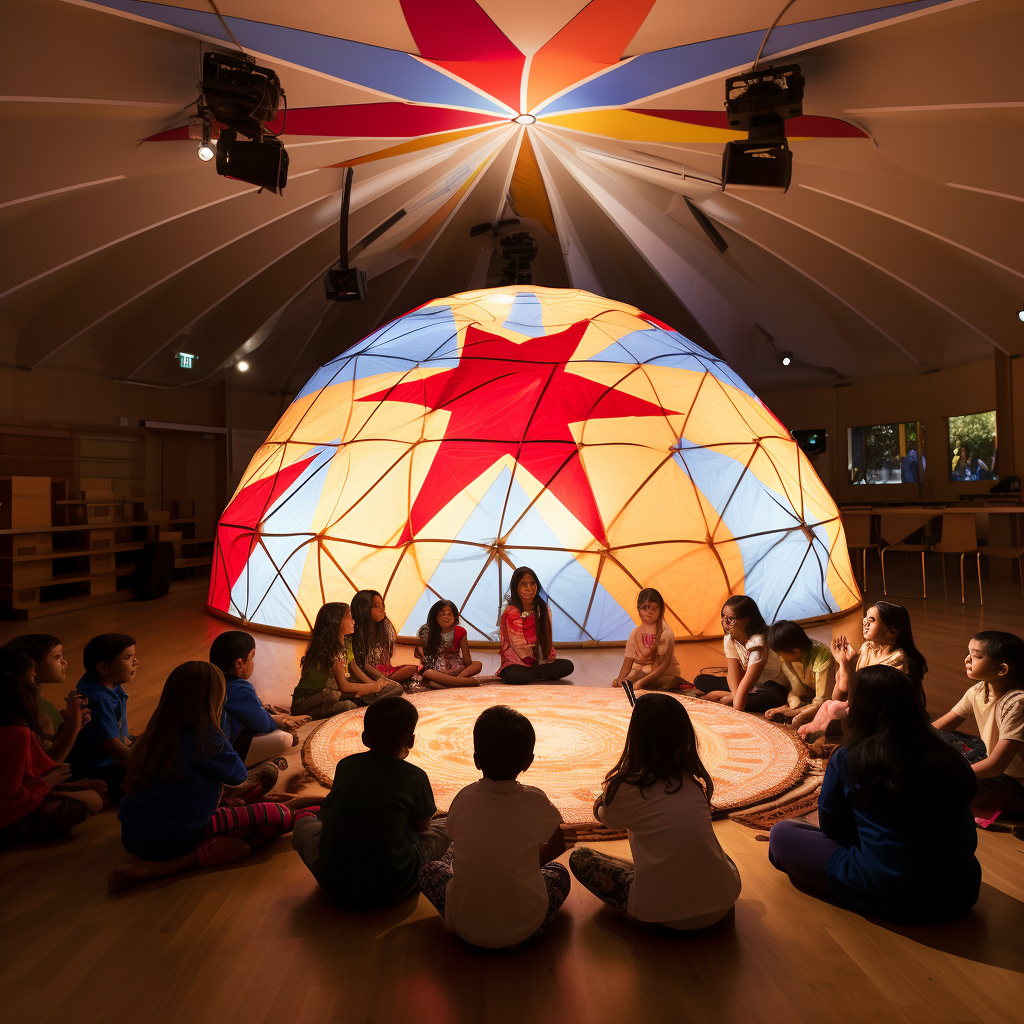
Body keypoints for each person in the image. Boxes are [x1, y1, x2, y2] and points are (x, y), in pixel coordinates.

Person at [768, 665, 981, 924]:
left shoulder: (850, 757)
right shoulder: (949, 755)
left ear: (862, 708)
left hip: (891, 892)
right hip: (963, 892)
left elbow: (833, 828)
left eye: (851, 701)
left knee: (781, 834)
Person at [109, 662, 296, 891]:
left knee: (252, 782)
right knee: (277, 814)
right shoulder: (204, 735)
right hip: (176, 838)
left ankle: (222, 806)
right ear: (214, 698)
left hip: (134, 837)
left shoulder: (155, 729)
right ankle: (165, 867)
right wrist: (217, 728)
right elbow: (238, 775)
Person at [570, 694, 740, 929]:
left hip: (661, 915)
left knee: (581, 859)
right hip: (721, 905)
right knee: (716, 855)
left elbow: (607, 819)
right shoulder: (692, 783)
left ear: (636, 739)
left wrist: (605, 796)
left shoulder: (627, 788)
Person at [418, 705, 569, 948]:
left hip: (463, 926)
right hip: (527, 928)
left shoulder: (463, 798)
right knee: (560, 873)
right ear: (528, 762)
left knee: (430, 870)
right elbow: (560, 836)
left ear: (477, 760)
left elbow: (453, 835)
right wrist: (531, 863)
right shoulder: (536, 801)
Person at [290, 695, 448, 908]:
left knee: (303, 826)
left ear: (364, 738)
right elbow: (422, 826)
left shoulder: (345, 766)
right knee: (445, 827)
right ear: (411, 741)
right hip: (394, 886)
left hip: (335, 885)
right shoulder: (415, 777)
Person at [0, 649, 95, 840]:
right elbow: (8, 794)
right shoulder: (20, 727)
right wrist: (73, 727)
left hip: (29, 787)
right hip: (11, 805)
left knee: (95, 793)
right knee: (90, 802)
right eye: (32, 678)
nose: (65, 663)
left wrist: (73, 727)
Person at [798, 601, 925, 740]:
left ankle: (823, 738)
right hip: (861, 704)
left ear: (893, 630)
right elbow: (838, 694)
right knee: (829, 704)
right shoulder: (866, 648)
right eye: (865, 619)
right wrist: (844, 663)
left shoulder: (897, 659)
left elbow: (872, 702)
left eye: (872, 620)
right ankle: (817, 733)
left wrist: (849, 671)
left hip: (883, 716)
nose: (865, 623)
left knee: (835, 709)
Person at [932, 631, 1024, 819]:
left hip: (1015, 784)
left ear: (1001, 669)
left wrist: (951, 776)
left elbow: (996, 765)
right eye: (968, 654)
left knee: (935, 785)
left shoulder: (1018, 703)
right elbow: (938, 728)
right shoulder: (979, 689)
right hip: (991, 770)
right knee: (937, 740)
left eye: (976, 656)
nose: (967, 660)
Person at [210, 630, 310, 793]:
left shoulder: (212, 681)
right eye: (253, 657)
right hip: (231, 752)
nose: (254, 663)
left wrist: (280, 718)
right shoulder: (239, 689)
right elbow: (264, 725)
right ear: (239, 664)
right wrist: (280, 723)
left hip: (214, 748)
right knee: (284, 738)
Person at [66, 633, 137, 799]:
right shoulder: (97, 699)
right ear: (103, 668)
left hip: (110, 756)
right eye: (128, 657)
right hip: (95, 767)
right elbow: (111, 747)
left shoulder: (105, 686)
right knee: (152, 772)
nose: (135, 662)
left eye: (134, 656)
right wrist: (143, 759)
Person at [290, 603, 391, 719]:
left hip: (317, 699)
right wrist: (374, 686)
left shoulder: (338, 645)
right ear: (336, 622)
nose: (353, 621)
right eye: (349, 617)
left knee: (352, 700)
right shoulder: (333, 650)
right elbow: (344, 686)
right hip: (308, 701)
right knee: (348, 705)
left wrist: (372, 685)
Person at [692, 596, 788, 713]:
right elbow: (733, 672)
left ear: (747, 620)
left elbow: (749, 680)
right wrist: (735, 695)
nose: (725, 622)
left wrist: (737, 701)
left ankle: (735, 697)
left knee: (757, 699)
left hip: (772, 686)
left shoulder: (758, 642)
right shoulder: (729, 637)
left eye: (731, 618)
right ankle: (733, 695)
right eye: (723, 616)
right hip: (752, 686)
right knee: (700, 680)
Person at [498, 567, 574, 685]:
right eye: (524, 584)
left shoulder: (543, 609)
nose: (529, 588)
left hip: (540, 662)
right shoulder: (511, 611)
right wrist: (534, 659)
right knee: (512, 674)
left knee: (568, 666)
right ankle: (538, 673)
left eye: (532, 584)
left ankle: (536, 672)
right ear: (516, 587)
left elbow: (547, 638)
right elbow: (518, 645)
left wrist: (544, 659)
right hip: (517, 662)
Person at [613, 589, 686, 692]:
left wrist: (640, 682)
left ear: (660, 610)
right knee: (623, 684)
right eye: (645, 608)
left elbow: (663, 666)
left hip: (661, 676)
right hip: (640, 673)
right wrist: (620, 680)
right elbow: (627, 662)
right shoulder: (635, 633)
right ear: (639, 610)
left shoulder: (666, 633)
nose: (649, 612)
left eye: (653, 608)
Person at [763, 621, 833, 726]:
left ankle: (793, 713)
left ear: (795, 651)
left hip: (829, 700)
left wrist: (795, 712)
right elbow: (799, 691)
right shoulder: (790, 659)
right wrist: (795, 707)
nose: (779, 656)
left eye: (780, 653)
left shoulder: (822, 656)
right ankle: (791, 710)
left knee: (797, 721)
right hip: (810, 699)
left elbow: (822, 700)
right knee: (792, 697)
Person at [350, 590, 418, 688]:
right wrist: (383, 679)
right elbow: (362, 665)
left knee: (412, 668)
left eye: (383, 606)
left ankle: (390, 683)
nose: (382, 609)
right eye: (377, 606)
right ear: (364, 608)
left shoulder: (382, 630)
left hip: (383, 672)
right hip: (366, 675)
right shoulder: (355, 634)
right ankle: (390, 684)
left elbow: (385, 660)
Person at [415, 599, 484, 688]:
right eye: (442, 614)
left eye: (449, 614)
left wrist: (463, 667)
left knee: (477, 664)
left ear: (455, 617)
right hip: (436, 670)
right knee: (428, 673)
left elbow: (467, 661)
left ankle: (453, 682)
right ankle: (461, 682)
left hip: (456, 668)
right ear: (435, 616)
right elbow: (421, 657)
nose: (446, 617)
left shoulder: (460, 631)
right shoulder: (425, 631)